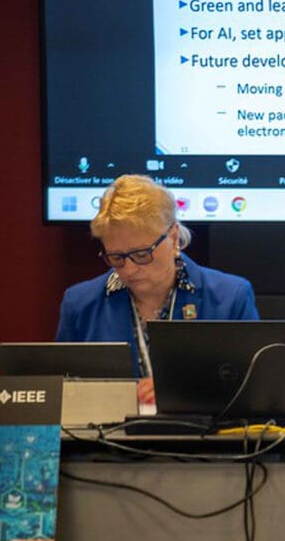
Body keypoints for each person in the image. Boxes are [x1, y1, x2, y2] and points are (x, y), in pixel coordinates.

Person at [56, 174, 259, 408]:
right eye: (116, 257)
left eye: (142, 254)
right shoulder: (80, 303)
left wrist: (183, 389)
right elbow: (61, 395)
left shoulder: (230, 296)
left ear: (173, 237)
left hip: (203, 430)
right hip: (108, 430)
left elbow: (252, 391)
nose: (129, 269)